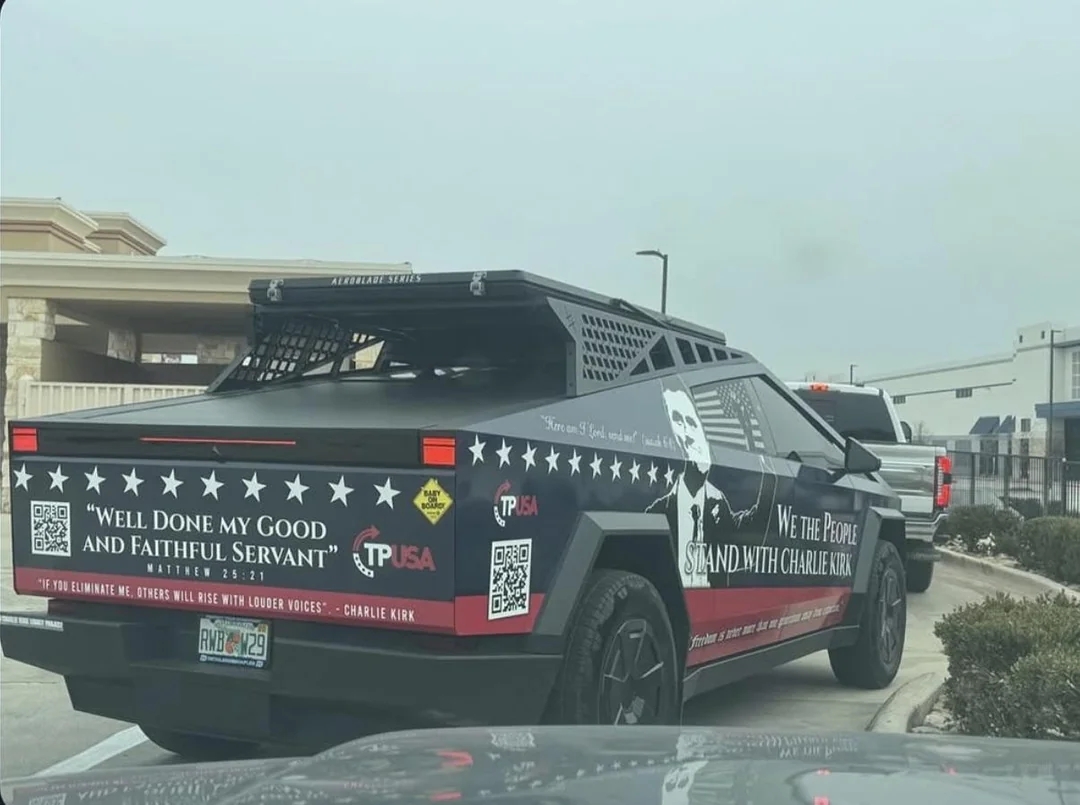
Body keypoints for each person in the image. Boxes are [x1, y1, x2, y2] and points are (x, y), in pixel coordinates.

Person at [647, 377, 774, 588]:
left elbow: (746, 539)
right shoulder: (657, 513)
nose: (689, 435)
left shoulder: (717, 502)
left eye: (692, 423)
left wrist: (769, 483)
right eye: (678, 422)